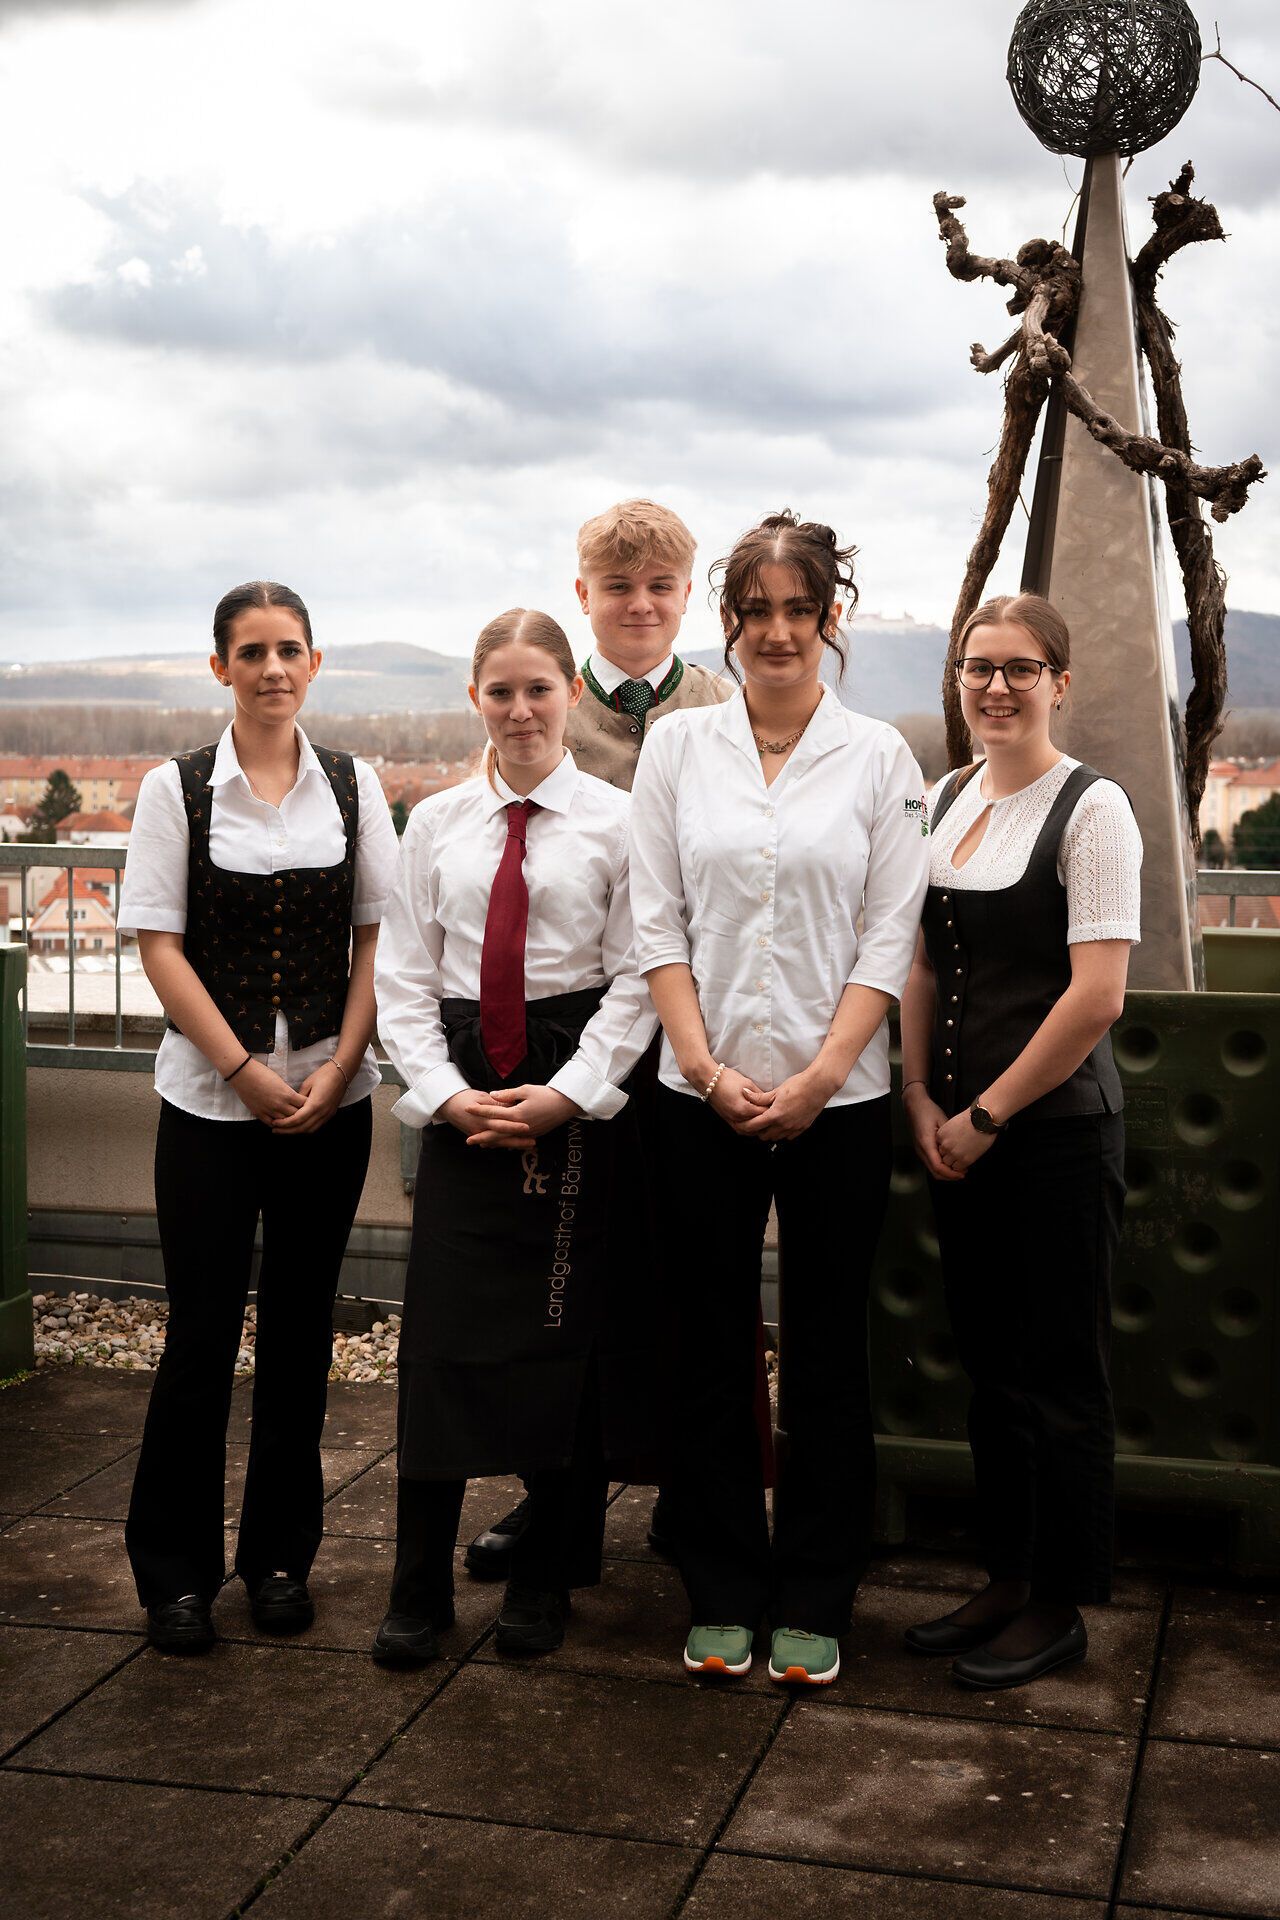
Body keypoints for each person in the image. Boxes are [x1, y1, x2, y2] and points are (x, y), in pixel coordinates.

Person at [629, 511, 931, 1687]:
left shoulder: (879, 761)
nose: (775, 631)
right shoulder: (676, 751)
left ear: (828, 619)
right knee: (705, 1339)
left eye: (796, 609)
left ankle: (813, 1585)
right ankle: (718, 1581)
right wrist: (704, 1068)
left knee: (823, 1352)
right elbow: (655, 922)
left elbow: (887, 931)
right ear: (730, 623)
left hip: (838, 1100)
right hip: (692, 1093)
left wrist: (813, 1079)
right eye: (753, 611)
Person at [371, 607, 659, 1665]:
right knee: (442, 1347)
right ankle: (415, 1588)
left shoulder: (619, 823)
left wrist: (570, 1093)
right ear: (475, 700)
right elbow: (402, 979)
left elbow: (637, 976)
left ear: (570, 694)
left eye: (539, 688)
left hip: (571, 1094)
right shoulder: (436, 823)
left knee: (560, 1350)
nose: (522, 709)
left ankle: (543, 1585)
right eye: (501, 691)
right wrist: (444, 1096)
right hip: (463, 1089)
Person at [117, 581, 400, 1653]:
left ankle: (279, 1558)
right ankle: (173, 1575)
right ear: (220, 667)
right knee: (197, 1334)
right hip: (206, 1103)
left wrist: (343, 1066)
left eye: (289, 650)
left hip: (332, 1099)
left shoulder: (353, 783)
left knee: (297, 1332)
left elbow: (376, 935)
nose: (272, 668)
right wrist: (239, 1069)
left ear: (314, 664)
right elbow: (158, 945)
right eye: (251, 651)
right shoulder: (173, 790)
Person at [465, 498, 736, 1580]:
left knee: (683, 1276)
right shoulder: (544, 703)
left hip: (689, 1037)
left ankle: (688, 1493)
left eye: (658, 587)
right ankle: (552, 1494)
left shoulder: (721, 705)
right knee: (556, 1282)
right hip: (562, 1037)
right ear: (583, 596)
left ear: (684, 596)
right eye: (615, 588)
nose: (637, 605)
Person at [898, 590, 1141, 1691]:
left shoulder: (1092, 810)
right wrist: (912, 1092)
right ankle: (1005, 1572)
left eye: (1018, 668)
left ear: (1059, 681)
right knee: (989, 1367)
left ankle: (1058, 1603)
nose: (995, 687)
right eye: (976, 666)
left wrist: (985, 1114)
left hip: (1044, 1138)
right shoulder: (944, 796)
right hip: (952, 1132)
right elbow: (921, 964)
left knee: (1058, 1372)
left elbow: (1095, 998)